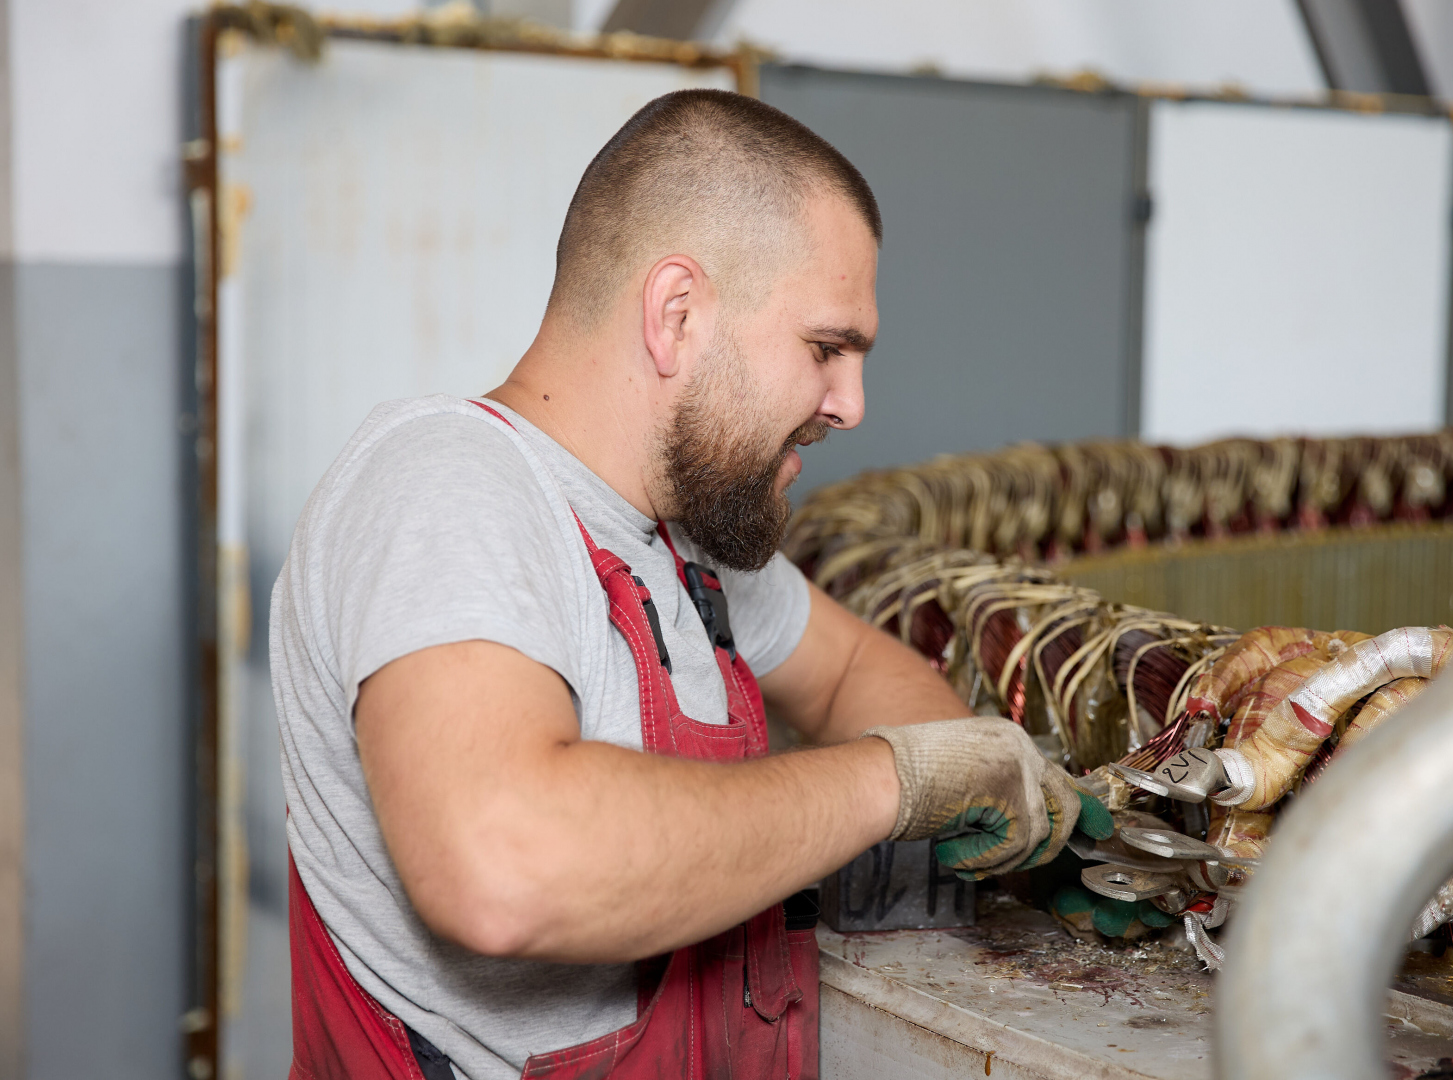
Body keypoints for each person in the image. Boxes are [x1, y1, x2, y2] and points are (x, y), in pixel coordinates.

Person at [272, 89, 1105, 1080]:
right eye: (826, 349)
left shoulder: (679, 541)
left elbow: (847, 677)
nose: (850, 405)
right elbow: (503, 865)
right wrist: (896, 781)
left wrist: (985, 804)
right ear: (677, 315)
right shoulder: (448, 484)